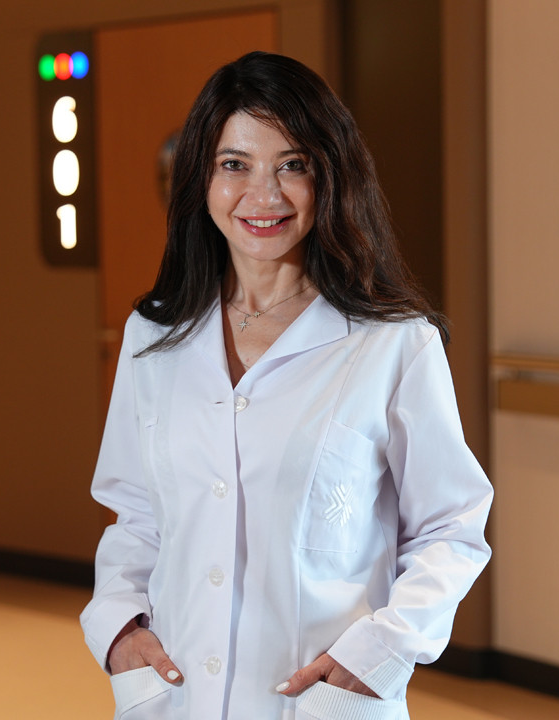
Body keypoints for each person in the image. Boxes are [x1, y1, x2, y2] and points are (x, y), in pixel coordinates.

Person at [80, 51, 493, 720]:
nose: (264, 195)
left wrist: (383, 651)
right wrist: (120, 627)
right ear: (201, 178)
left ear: (330, 177)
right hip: (177, 696)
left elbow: (452, 525)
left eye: (292, 165)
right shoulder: (153, 336)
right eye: (234, 165)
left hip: (320, 700)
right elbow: (136, 513)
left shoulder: (392, 343)